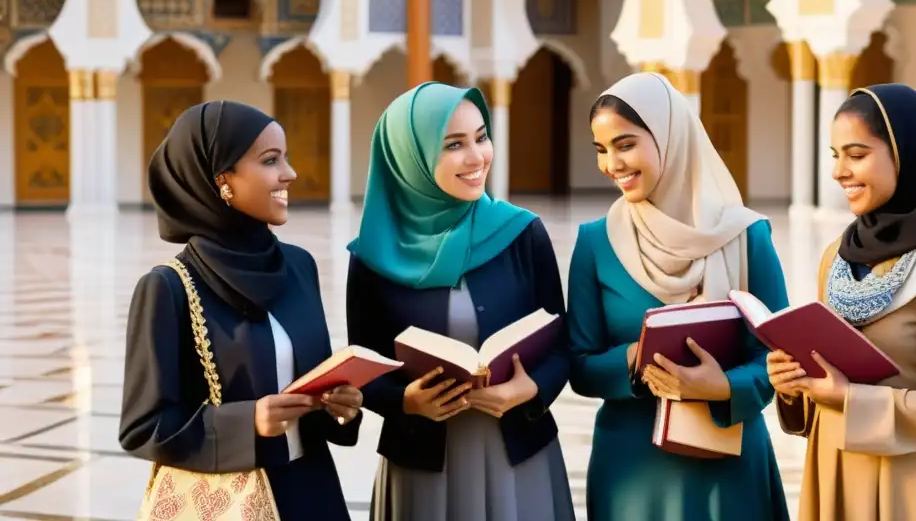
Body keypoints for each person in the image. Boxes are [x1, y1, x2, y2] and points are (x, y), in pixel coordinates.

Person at [768, 84, 916, 520]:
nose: (839, 172)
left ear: (908, 156)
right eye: (835, 154)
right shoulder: (837, 257)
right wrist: (793, 385)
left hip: (911, 489)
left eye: (857, 155)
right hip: (833, 473)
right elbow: (828, 384)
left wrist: (850, 398)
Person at [120, 101, 363, 520]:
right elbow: (143, 427)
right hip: (232, 501)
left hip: (313, 490)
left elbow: (313, 385)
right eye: (271, 161)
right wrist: (246, 421)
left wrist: (342, 407)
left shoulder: (299, 267)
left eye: (285, 158)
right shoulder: (169, 287)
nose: (290, 174)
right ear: (221, 180)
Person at [346, 82, 575, 521]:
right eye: (453, 144)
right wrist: (406, 402)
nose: (477, 157)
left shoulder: (523, 234)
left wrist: (530, 388)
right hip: (423, 467)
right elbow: (365, 369)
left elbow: (563, 346)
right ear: (408, 155)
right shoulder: (373, 258)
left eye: (481, 137)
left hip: (520, 459)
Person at [567, 71, 790, 521]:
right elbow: (580, 366)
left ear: (671, 138)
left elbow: (782, 359)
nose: (612, 164)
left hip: (727, 459)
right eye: (601, 150)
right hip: (632, 467)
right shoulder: (596, 243)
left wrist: (722, 386)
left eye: (625, 144)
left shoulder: (746, 237)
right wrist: (634, 356)